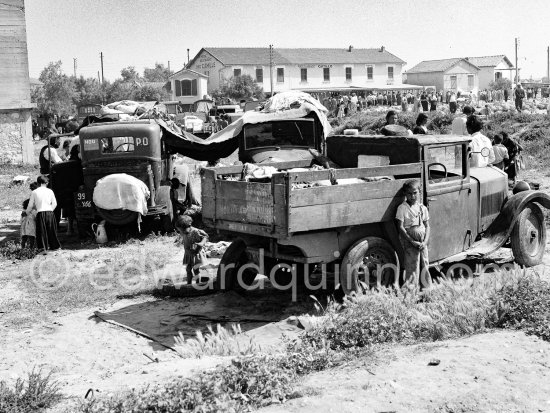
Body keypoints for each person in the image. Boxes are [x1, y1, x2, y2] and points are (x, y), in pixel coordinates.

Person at [396, 180, 430, 288]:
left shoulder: (422, 208)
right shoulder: (402, 208)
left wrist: (425, 242)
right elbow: (400, 227)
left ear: (419, 192)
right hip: (410, 242)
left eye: (415, 193)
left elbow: (427, 226)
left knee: (425, 264)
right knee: (412, 267)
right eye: (409, 193)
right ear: (405, 194)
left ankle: (426, 291)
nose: (412, 196)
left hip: (422, 242)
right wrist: (412, 241)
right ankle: (411, 293)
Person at [25, 175, 60, 252]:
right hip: (50, 212)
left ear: (38, 183)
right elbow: (55, 203)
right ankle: (54, 246)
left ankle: (43, 247)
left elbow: (30, 205)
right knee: (51, 230)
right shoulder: (50, 191)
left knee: (41, 231)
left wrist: (27, 212)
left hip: (40, 213)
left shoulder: (34, 192)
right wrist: (50, 210)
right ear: (46, 182)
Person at [175, 215, 208, 285]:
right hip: (188, 254)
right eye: (179, 231)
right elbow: (184, 237)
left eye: (182, 230)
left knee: (196, 270)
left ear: (188, 226)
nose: (181, 232)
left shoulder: (195, 231)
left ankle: (198, 284)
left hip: (196, 254)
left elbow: (205, 236)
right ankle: (189, 284)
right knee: (188, 269)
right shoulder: (184, 232)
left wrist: (201, 243)